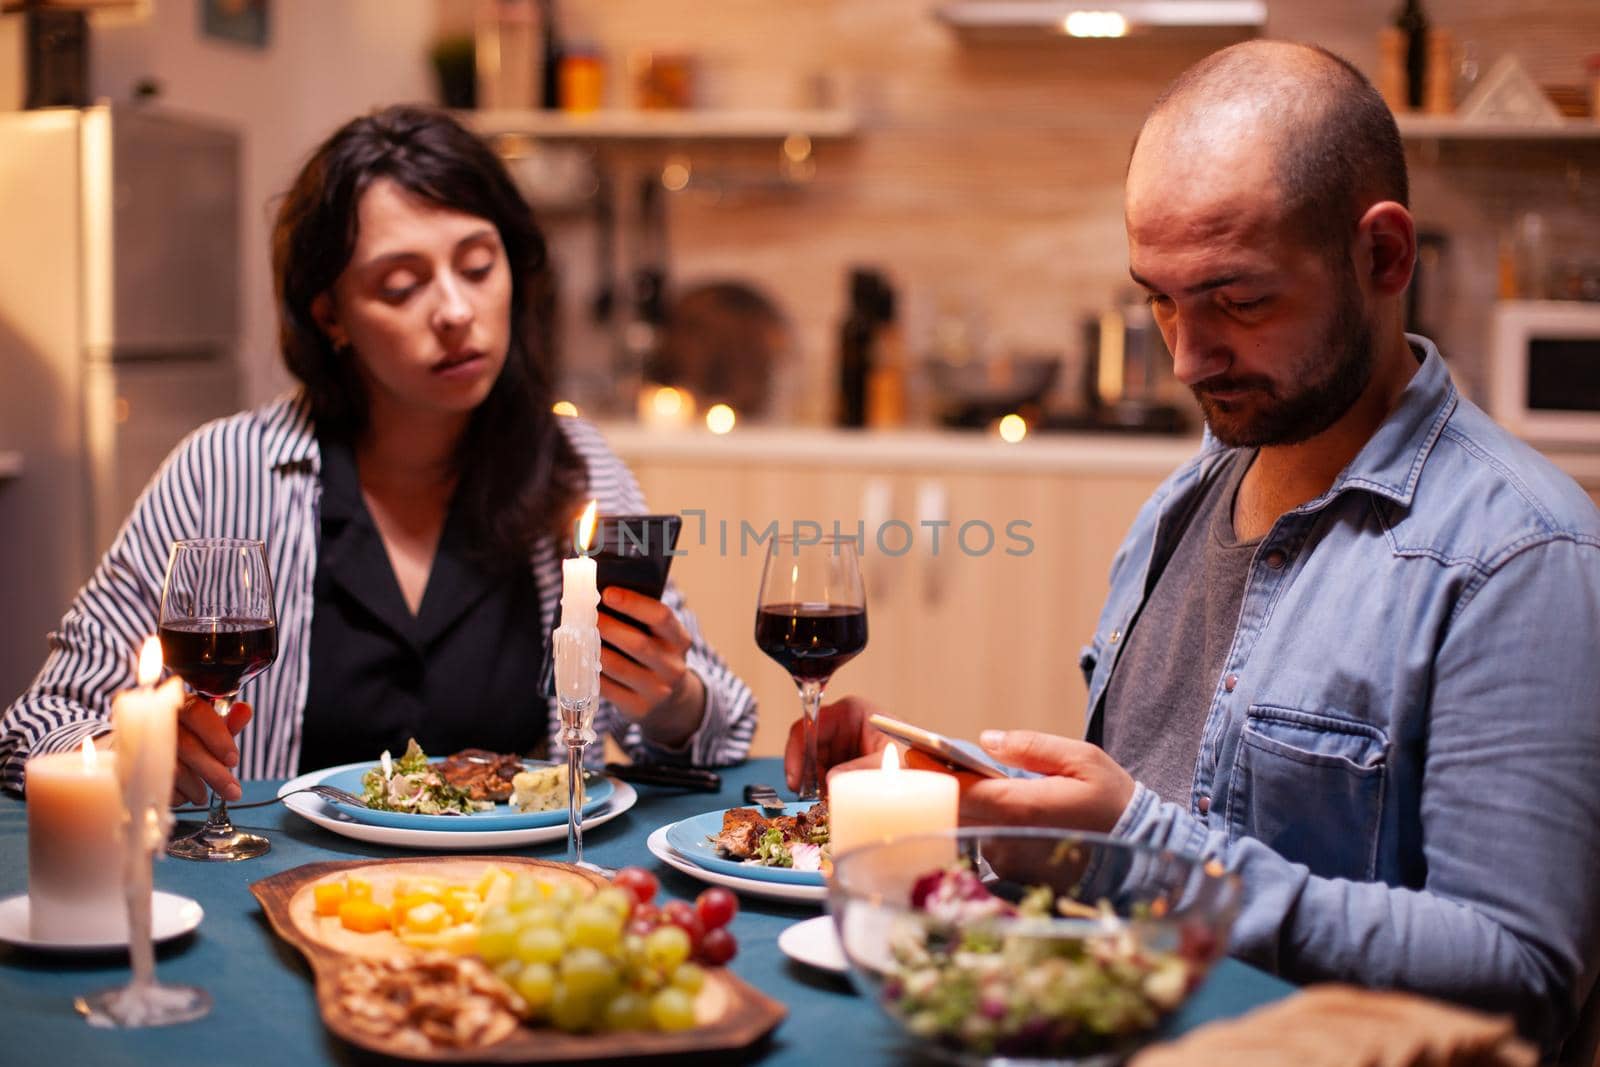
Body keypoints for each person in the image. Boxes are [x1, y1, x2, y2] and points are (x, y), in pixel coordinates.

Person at [790, 41, 1600, 1056]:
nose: (1184, 354)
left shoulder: (1518, 555)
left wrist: (1130, 844)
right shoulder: (1185, 498)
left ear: (1383, 258)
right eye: (1158, 298)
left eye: (1238, 299)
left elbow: (1518, 978)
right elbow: (1157, 808)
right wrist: (960, 787)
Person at [1, 105, 756, 804]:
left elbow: (725, 728)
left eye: (478, 265)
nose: (456, 311)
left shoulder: (573, 465)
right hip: (281, 894)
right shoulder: (225, 471)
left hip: (509, 895)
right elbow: (37, 725)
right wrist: (123, 748)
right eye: (402, 285)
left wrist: (671, 700)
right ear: (330, 314)